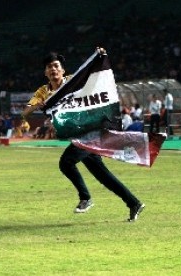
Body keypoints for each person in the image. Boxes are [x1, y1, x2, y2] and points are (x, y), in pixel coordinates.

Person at [21, 49, 145, 222]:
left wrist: (98, 57)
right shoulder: (43, 92)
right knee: (103, 176)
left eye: (56, 66)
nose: (53, 69)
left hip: (91, 131)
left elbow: (93, 78)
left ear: (63, 70)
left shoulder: (73, 81)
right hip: (77, 135)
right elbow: (25, 112)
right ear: (45, 72)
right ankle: (134, 203)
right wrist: (36, 106)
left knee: (66, 162)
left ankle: (85, 198)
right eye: (49, 67)